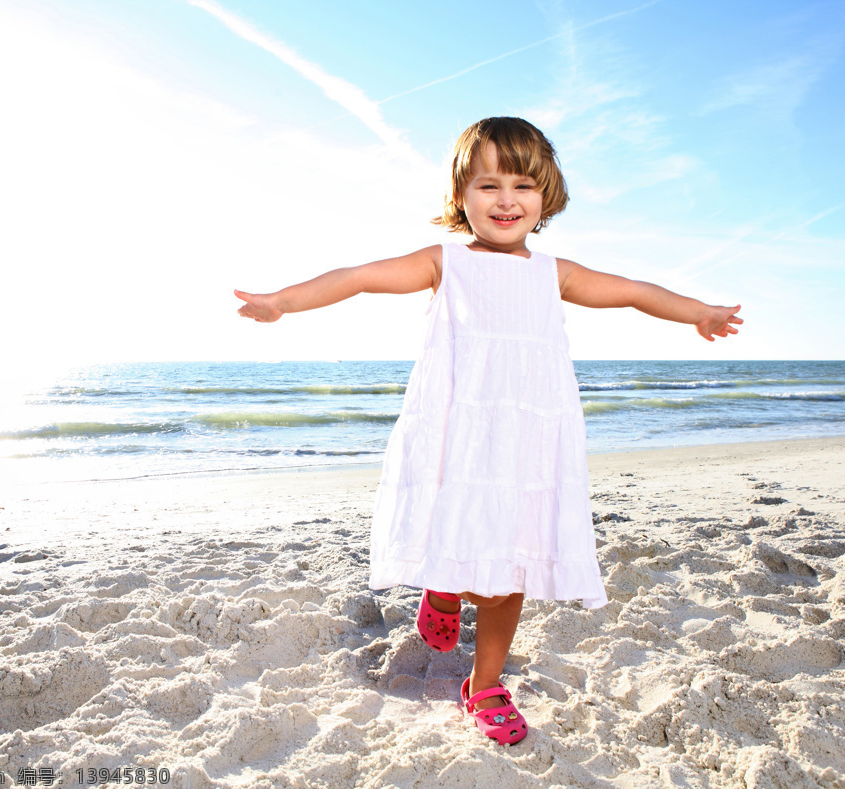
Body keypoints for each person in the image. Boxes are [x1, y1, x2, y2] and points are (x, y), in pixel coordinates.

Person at [234, 116, 742, 746]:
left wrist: (699, 314)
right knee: (461, 539)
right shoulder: (444, 262)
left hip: (529, 438)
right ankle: (444, 593)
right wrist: (283, 299)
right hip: (461, 433)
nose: (506, 200)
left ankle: (486, 682)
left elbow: (633, 291)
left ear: (546, 195)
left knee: (511, 567)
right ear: (461, 196)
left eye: (523, 185)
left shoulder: (554, 272)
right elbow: (360, 276)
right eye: (488, 185)